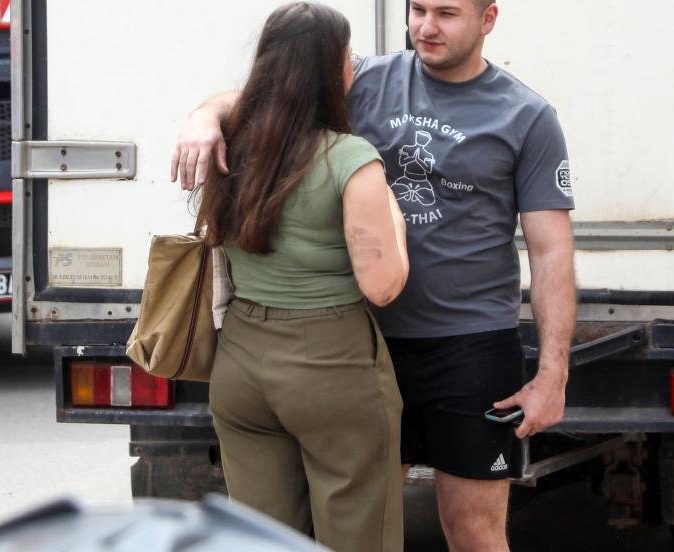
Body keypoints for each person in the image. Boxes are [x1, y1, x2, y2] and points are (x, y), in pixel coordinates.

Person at [173, 1, 576, 550]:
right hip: (362, 345)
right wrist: (203, 117)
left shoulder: (526, 115)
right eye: (417, 10)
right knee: (357, 524)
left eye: (447, 13)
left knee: (473, 530)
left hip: (470, 348)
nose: (426, 27)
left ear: (488, 19)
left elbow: (551, 252)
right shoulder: (362, 77)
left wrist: (552, 374)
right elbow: (268, 91)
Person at [190, 4, 409, 552]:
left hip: (241, 360)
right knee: (360, 534)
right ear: (332, 69)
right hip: (331, 362)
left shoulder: (231, 145)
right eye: (348, 56)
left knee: (263, 540)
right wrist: (395, 218)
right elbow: (383, 285)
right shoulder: (351, 158)